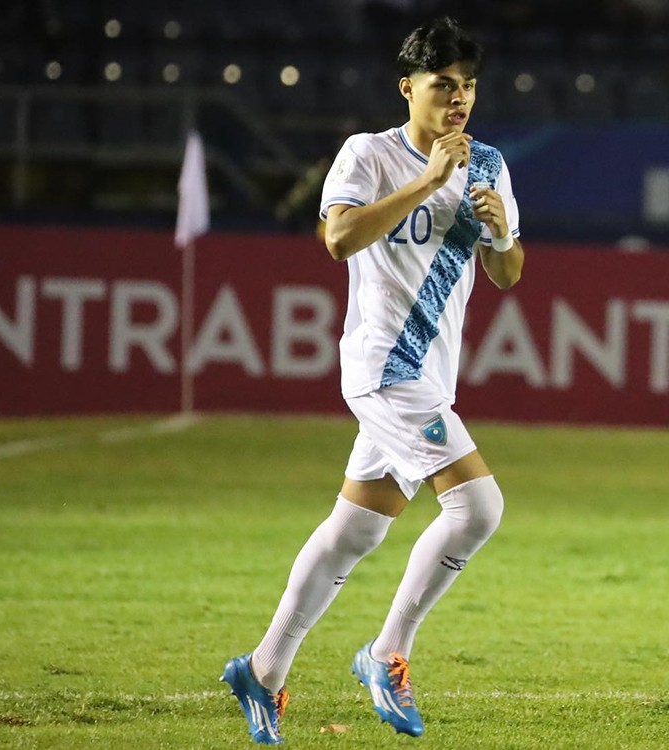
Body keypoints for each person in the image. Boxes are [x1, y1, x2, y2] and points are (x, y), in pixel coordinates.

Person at [221, 16, 523, 744]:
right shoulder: (370, 154)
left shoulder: (488, 165)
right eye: (443, 86)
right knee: (478, 508)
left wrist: (504, 233)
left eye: (468, 87)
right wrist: (427, 183)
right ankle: (387, 653)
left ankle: (261, 671)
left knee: (353, 532)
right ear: (408, 88)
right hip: (385, 368)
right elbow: (338, 238)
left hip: (430, 374)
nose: (458, 100)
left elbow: (507, 275)